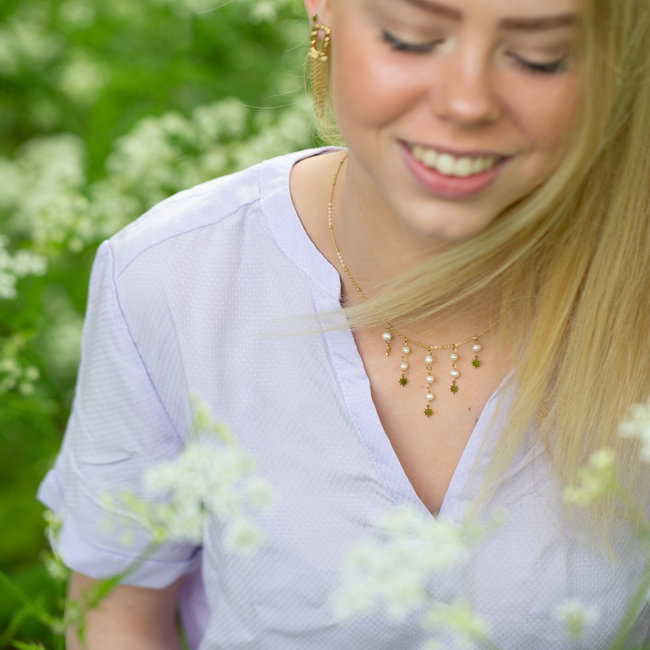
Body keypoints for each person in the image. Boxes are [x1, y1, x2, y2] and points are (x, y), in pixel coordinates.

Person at [37, 0, 650, 648]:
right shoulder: (173, 275)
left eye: (538, 56)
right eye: (411, 38)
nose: (468, 102)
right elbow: (115, 613)